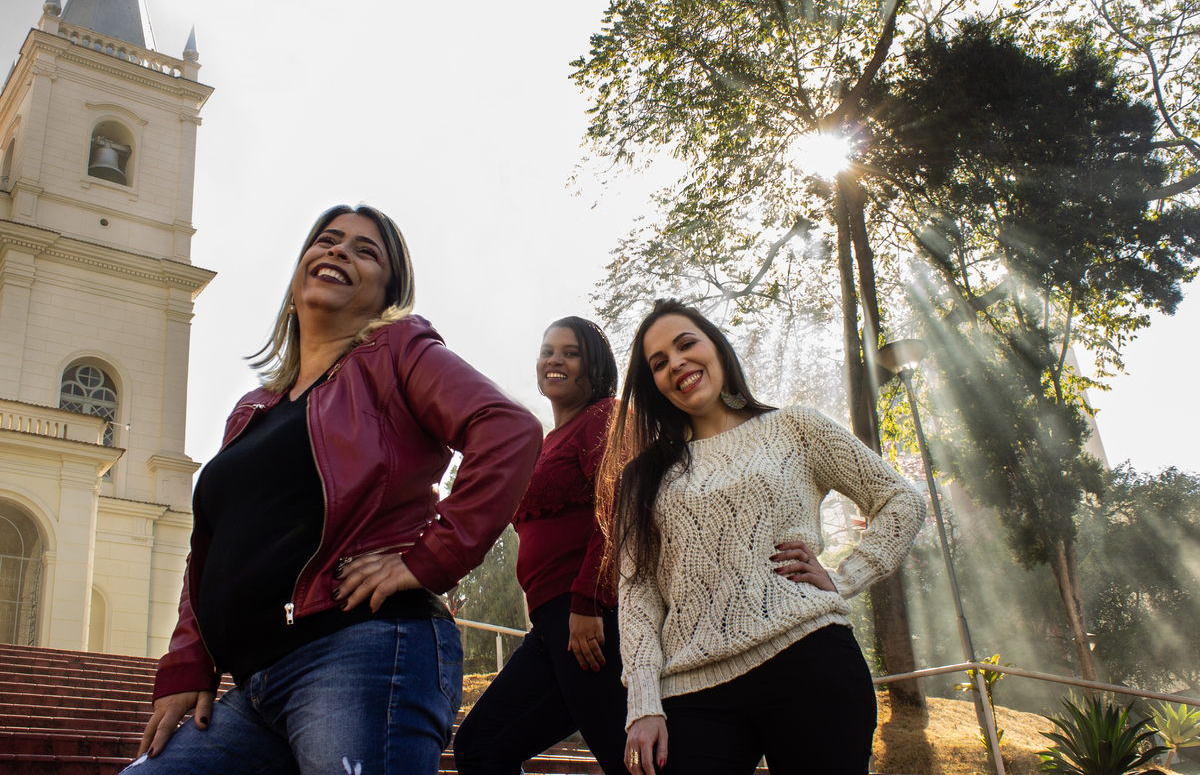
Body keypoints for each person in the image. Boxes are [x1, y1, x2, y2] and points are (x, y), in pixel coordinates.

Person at [127, 205, 543, 775]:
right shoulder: (251, 411)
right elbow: (211, 552)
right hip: (254, 687)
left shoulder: (396, 352)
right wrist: (186, 666)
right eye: (326, 240)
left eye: (365, 250)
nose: (339, 251)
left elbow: (509, 431)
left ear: (387, 292)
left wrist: (429, 559)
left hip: (364, 652)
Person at [603, 299, 925, 775]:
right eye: (658, 363)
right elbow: (637, 593)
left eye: (686, 344)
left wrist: (846, 576)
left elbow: (902, 501)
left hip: (809, 660)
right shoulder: (643, 477)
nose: (676, 363)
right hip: (692, 688)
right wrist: (643, 704)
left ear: (716, 347)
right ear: (654, 385)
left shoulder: (796, 427)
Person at [453, 317, 628, 774]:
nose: (555, 359)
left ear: (594, 368)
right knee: (479, 746)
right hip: (553, 624)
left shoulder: (605, 416)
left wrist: (588, 601)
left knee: (626, 759)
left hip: (590, 617)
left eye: (570, 353)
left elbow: (619, 505)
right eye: (548, 350)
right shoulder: (547, 441)